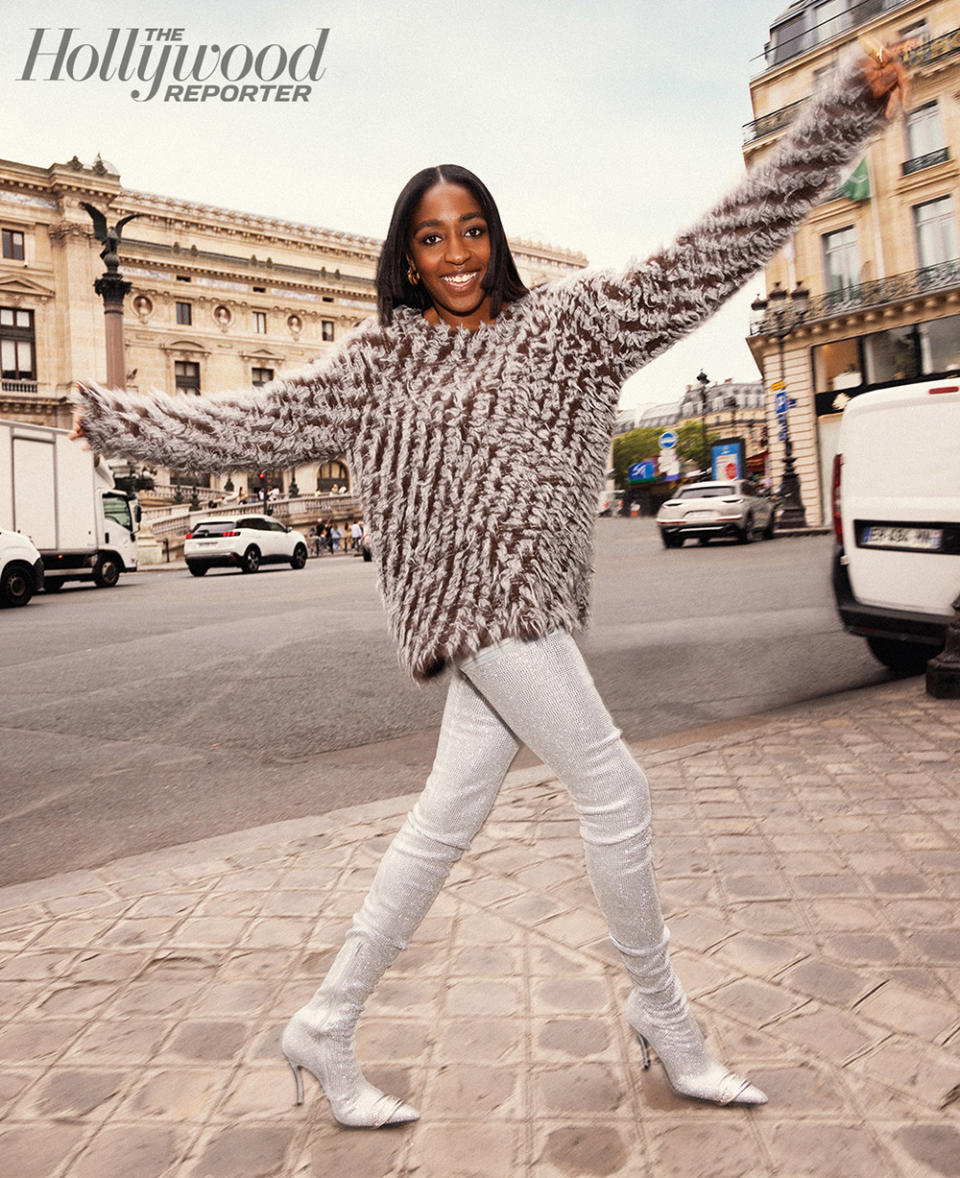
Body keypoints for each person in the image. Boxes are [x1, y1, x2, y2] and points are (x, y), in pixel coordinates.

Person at [70, 47, 909, 1129]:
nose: (456, 253)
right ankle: (666, 1017)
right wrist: (121, 415)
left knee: (443, 818)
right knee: (617, 790)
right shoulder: (380, 361)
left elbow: (717, 249)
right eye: (432, 238)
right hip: (477, 612)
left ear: (494, 236)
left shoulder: (570, 325)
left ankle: (324, 1021)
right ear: (407, 258)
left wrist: (840, 112)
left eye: (471, 230)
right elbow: (251, 423)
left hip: (534, 601)